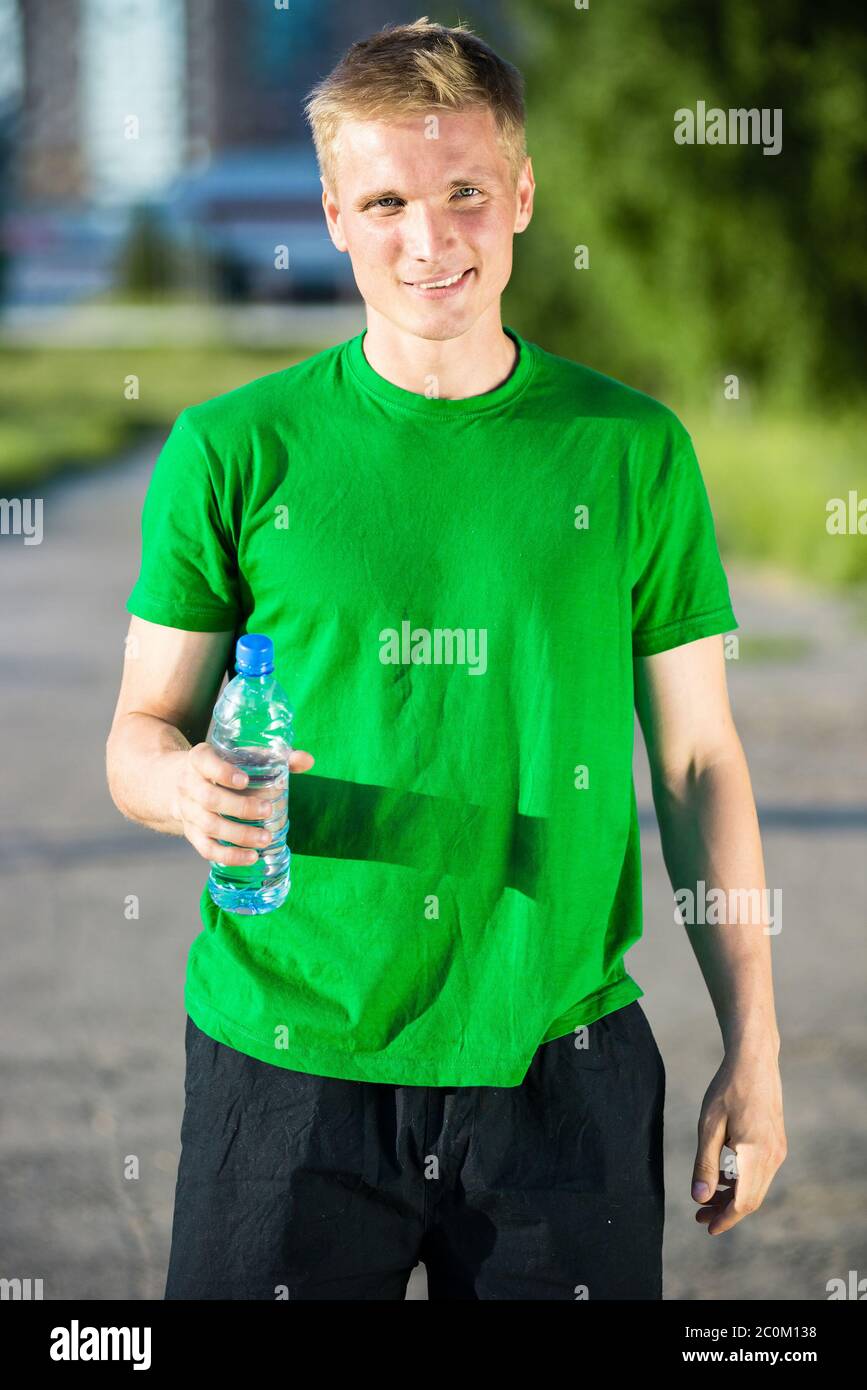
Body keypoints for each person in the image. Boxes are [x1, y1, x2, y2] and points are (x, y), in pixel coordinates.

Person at [106, 16, 785, 1300]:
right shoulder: (233, 449)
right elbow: (139, 734)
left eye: (467, 192)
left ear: (522, 193)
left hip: (561, 1067)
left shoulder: (629, 450)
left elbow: (698, 763)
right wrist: (179, 783)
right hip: (286, 1062)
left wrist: (755, 1047)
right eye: (388, 200)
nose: (430, 240)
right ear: (335, 211)